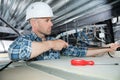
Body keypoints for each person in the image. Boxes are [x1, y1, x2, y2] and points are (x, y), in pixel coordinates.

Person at [8, 2, 120, 61]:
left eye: (51, 20)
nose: (51, 24)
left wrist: (107, 48)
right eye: (47, 20)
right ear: (34, 23)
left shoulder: (55, 41)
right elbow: (13, 53)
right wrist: (51, 44)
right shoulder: (25, 40)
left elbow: (80, 51)